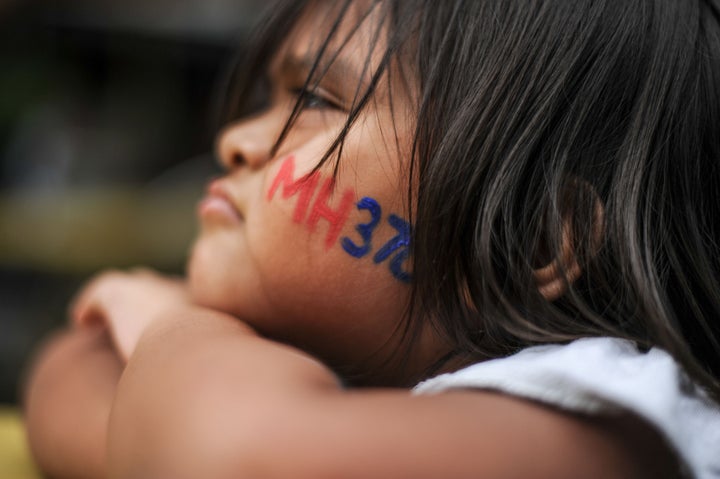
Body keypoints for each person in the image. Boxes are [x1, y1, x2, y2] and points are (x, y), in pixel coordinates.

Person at [22, 0, 720, 477]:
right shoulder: (349, 361)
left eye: (316, 100)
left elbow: (223, 458)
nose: (234, 141)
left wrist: (173, 328)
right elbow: (71, 385)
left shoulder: (604, 413)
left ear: (525, 241)